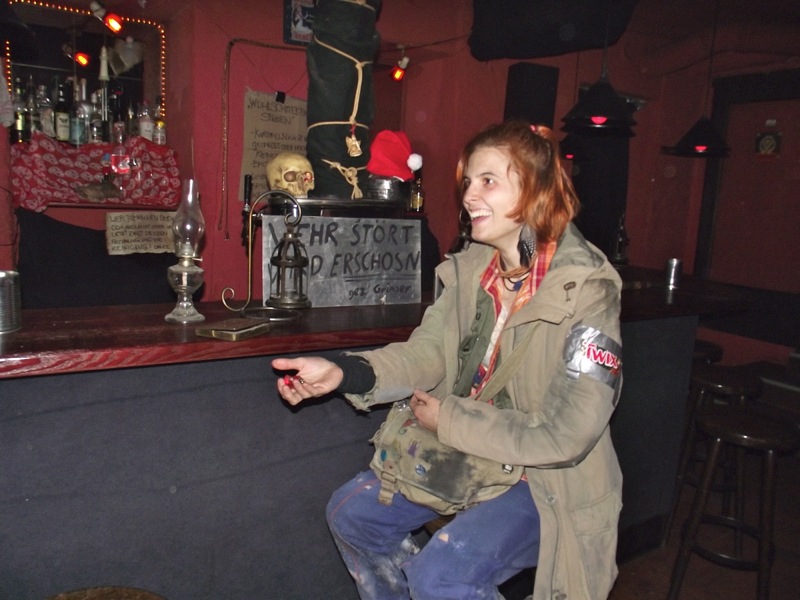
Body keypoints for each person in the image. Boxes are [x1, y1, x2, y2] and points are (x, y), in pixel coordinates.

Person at [273, 120, 623, 600]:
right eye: (468, 182)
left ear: (536, 189)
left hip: (547, 479)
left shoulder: (588, 288)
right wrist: (344, 372)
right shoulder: (472, 270)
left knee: (440, 575)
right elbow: (428, 353)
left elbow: (570, 434)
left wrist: (452, 421)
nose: (469, 196)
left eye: (488, 181)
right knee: (351, 515)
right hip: (470, 454)